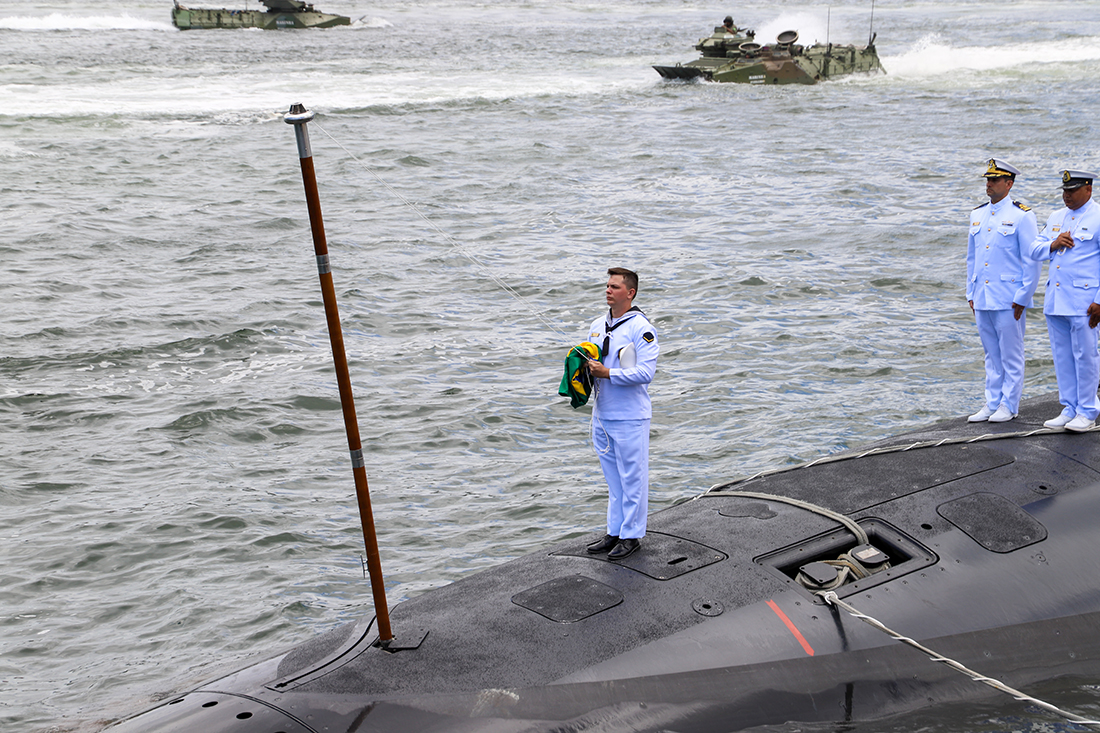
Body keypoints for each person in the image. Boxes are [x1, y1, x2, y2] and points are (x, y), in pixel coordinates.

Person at [583, 267, 658, 561]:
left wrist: (608, 373)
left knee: (633, 479)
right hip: (602, 414)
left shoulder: (641, 328)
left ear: (630, 293)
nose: (608, 290)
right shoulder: (597, 325)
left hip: (630, 416)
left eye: (614, 287)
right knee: (614, 481)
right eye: (607, 285)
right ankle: (614, 531)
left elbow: (645, 373)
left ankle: (632, 535)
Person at [965, 159, 1039, 423]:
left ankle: (1009, 404)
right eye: (988, 179)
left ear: (1009, 184)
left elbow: (1031, 260)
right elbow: (972, 258)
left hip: (1009, 297)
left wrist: (1023, 296)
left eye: (994, 180)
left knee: (1011, 354)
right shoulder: (977, 214)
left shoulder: (1022, 216)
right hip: (982, 295)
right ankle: (992, 401)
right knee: (991, 354)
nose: (989, 184)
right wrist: (970, 292)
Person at [1028, 169, 1100, 432]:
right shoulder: (1056, 217)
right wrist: (1053, 244)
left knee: (1086, 356)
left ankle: (1087, 410)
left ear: (1088, 189)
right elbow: (1033, 249)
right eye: (1064, 191)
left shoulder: (1098, 216)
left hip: (1085, 301)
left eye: (1072, 191)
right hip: (1056, 300)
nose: (1066, 196)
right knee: (1062, 357)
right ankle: (1069, 407)